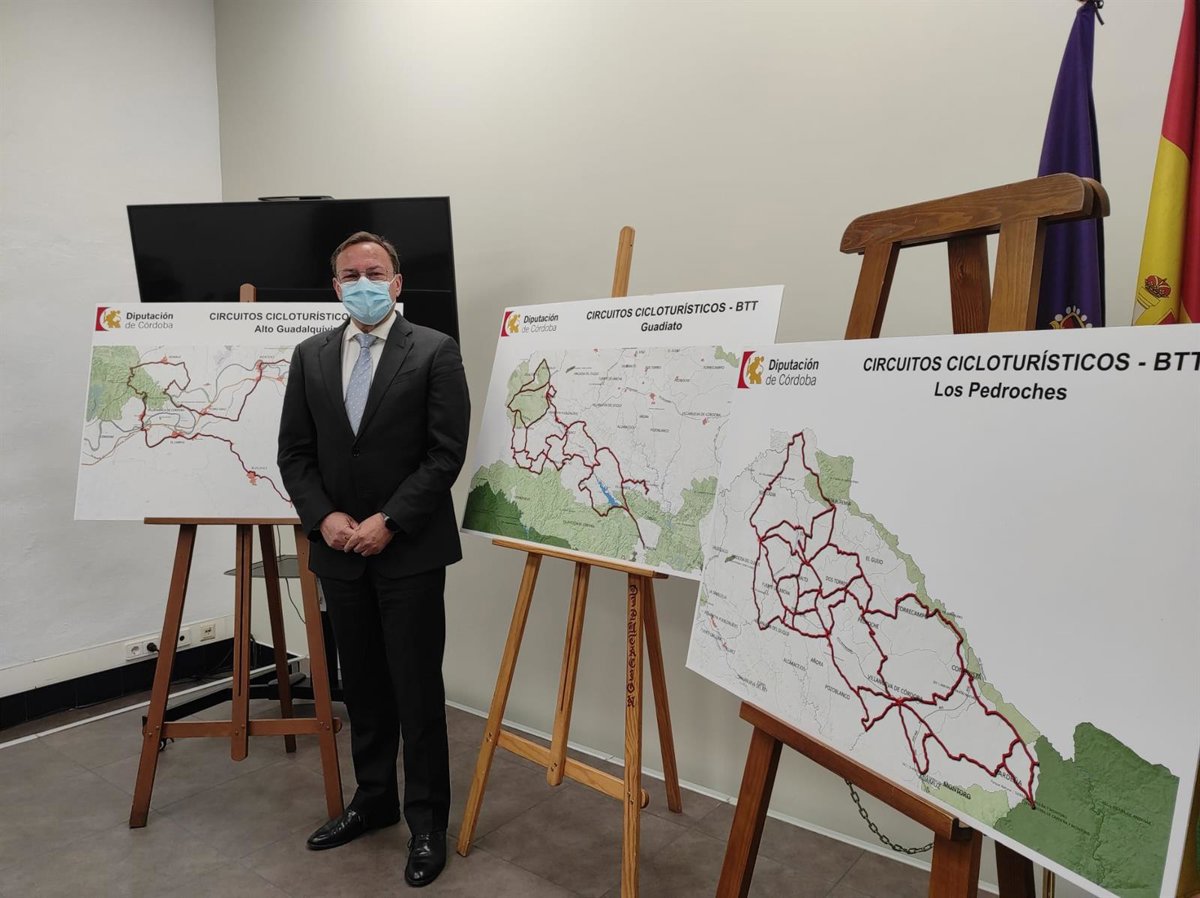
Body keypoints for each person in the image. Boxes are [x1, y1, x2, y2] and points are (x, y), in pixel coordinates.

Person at [278, 230, 470, 887]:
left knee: (416, 691)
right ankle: (374, 800)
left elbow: (445, 453)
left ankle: (427, 823)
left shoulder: (435, 351)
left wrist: (389, 520)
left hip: (407, 549)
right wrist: (323, 517)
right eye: (351, 274)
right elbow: (295, 452)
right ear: (335, 287)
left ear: (397, 282)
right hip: (339, 552)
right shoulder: (310, 355)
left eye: (376, 271)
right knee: (361, 686)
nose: (364, 283)